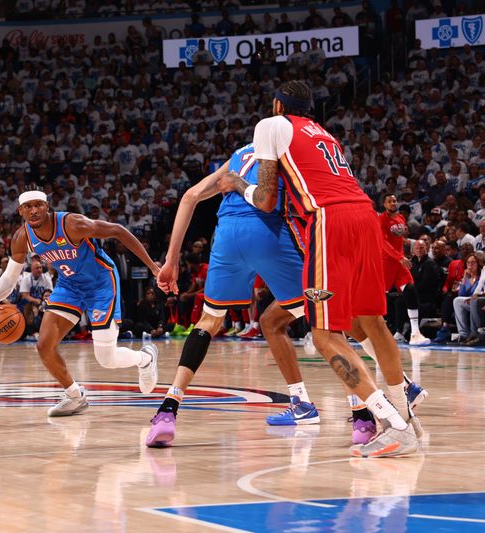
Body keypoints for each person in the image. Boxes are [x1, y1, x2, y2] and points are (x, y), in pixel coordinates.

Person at [218, 80, 420, 458]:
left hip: (331, 221)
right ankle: (407, 415)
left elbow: (264, 199)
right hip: (364, 215)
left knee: (325, 333)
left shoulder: (270, 125)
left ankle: (392, 423)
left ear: (278, 104)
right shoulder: (324, 133)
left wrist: (236, 184)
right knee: (373, 323)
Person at [147, 143, 315, 448]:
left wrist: (171, 260)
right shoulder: (287, 147)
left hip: (226, 235)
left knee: (210, 321)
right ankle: (369, 404)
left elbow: (189, 197)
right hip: (267, 231)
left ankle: (168, 409)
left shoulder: (239, 153)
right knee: (322, 316)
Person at [0, 189, 160, 416]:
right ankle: (75, 396)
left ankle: (145, 359)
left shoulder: (72, 224)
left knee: (106, 359)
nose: (34, 210)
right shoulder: (22, 237)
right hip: (69, 285)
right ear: (21, 211)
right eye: (28, 207)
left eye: (38, 205)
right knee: (44, 345)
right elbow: (10, 276)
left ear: (47, 206)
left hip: (100, 283)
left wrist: (153, 267)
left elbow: (117, 231)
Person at [378, 194, 431, 345]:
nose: (393, 203)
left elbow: (398, 238)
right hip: (386, 262)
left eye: (394, 200)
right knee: (380, 298)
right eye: (390, 201)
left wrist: (404, 249)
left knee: (410, 290)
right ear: (384, 204)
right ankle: (374, 330)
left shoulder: (401, 218)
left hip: (399, 262)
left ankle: (415, 333)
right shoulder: (381, 219)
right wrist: (398, 256)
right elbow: (382, 242)